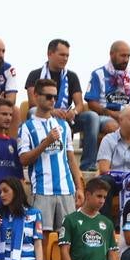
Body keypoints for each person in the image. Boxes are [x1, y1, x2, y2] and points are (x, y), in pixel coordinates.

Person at [19, 78, 84, 236]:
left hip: (66, 189)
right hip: (42, 190)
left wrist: (79, 187)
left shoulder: (63, 125)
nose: (52, 100)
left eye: (54, 97)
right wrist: (45, 143)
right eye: (48, 96)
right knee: (42, 237)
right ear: (35, 95)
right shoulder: (27, 127)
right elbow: (23, 160)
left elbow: (70, 159)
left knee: (67, 238)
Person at [25, 39, 100, 172]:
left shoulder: (71, 76)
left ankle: (88, 165)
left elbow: (79, 104)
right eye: (62, 55)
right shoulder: (35, 74)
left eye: (67, 55)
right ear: (50, 54)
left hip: (66, 117)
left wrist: (74, 112)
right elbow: (33, 102)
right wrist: (52, 111)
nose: (65, 58)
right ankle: (34, 158)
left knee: (92, 117)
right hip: (43, 115)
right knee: (32, 111)